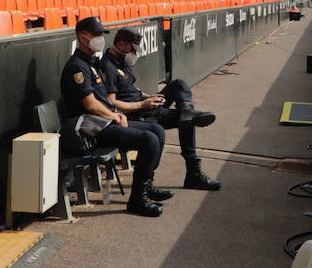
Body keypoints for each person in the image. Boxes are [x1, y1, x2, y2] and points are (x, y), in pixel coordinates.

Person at [60, 17, 172, 216]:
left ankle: (145, 186)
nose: (101, 39)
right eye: (97, 35)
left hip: (103, 122)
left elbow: (104, 100)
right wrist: (114, 115)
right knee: (149, 140)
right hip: (90, 129)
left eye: (102, 35)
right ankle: (137, 200)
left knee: (157, 131)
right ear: (83, 38)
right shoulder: (77, 66)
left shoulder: (91, 63)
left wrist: (117, 112)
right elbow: (90, 105)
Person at [100, 28, 221, 190]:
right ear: (121, 45)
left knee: (179, 85)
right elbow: (112, 103)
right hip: (135, 115)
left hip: (143, 105)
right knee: (188, 119)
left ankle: (187, 112)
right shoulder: (107, 66)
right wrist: (143, 104)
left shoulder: (123, 61)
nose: (134, 53)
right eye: (132, 49)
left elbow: (131, 89)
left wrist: (148, 97)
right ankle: (193, 173)